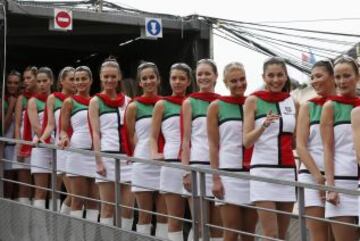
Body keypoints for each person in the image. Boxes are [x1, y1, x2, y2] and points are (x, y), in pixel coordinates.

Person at [243, 57, 297, 240]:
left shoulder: (293, 102)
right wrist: (264, 126)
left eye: (280, 75)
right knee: (271, 234)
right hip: (263, 172)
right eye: (271, 76)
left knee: (283, 234)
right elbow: (247, 142)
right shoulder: (253, 101)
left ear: (286, 76)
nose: (276, 80)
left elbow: (296, 142)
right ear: (263, 77)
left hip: (288, 171)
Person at [208, 62, 257, 241]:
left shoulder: (255, 102)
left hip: (253, 173)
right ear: (225, 83)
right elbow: (213, 145)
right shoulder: (216, 106)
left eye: (242, 79)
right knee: (231, 229)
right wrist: (216, 178)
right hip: (228, 174)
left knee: (249, 232)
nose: (239, 84)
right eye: (233, 81)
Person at [88, 59, 134, 229]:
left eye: (113, 76)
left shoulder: (129, 101)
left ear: (119, 77)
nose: (109, 80)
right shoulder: (95, 101)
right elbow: (95, 132)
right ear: (100, 77)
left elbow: (132, 132)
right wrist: (98, 160)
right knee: (107, 209)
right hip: (106, 158)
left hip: (127, 159)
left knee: (128, 210)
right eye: (106, 76)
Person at [149, 63, 192, 241]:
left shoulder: (194, 102)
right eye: (174, 78)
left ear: (189, 81)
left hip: (194, 164)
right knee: (174, 221)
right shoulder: (162, 104)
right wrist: (154, 153)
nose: (178, 82)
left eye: (182, 78)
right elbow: (153, 136)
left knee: (199, 220)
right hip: (171, 163)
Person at [181, 59, 222, 241]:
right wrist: (186, 172)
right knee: (199, 226)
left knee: (219, 228)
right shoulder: (190, 102)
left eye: (207, 73)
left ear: (216, 76)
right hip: (197, 167)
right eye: (200, 74)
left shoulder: (223, 102)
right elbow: (186, 139)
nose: (203, 77)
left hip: (221, 168)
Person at [125, 62, 167, 237]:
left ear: (158, 80)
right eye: (144, 78)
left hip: (165, 161)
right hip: (143, 162)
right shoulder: (134, 106)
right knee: (144, 215)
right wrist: (142, 152)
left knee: (165, 216)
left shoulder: (167, 104)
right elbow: (130, 135)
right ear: (139, 83)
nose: (149, 81)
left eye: (152, 77)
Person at [296, 60, 336, 241]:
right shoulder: (308, 107)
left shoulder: (351, 105)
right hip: (312, 176)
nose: (314, 81)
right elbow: (301, 146)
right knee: (319, 235)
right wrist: (319, 179)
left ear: (333, 77)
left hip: (342, 176)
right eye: (312, 77)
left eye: (319, 76)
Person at [321, 56, 359, 241]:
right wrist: (331, 187)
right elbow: (327, 149)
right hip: (341, 184)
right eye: (337, 77)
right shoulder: (330, 107)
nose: (342, 82)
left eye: (347, 76)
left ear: (357, 76)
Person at [59, 66, 99, 221]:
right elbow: (63, 129)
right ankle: (69, 232)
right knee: (77, 200)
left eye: (84, 78)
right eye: (77, 79)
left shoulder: (97, 101)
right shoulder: (69, 102)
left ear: (91, 80)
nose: (80, 82)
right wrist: (64, 137)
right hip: (77, 152)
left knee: (94, 202)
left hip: (95, 154)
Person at [40, 66, 75, 213]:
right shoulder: (53, 98)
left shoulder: (82, 98)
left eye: (77, 79)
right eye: (71, 79)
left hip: (80, 147)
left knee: (80, 196)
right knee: (73, 195)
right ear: (61, 81)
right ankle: (62, 225)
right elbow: (50, 124)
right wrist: (42, 139)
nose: (75, 82)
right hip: (62, 148)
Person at [23, 67, 53, 209]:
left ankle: (55, 227)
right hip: (41, 147)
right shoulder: (33, 102)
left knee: (56, 192)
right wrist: (49, 140)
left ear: (51, 81)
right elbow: (36, 127)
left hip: (58, 147)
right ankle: (39, 230)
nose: (42, 84)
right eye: (39, 81)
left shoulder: (57, 99)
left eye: (45, 81)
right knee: (41, 191)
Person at [13, 66, 38, 205]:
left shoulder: (43, 98)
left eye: (29, 78)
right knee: (24, 188)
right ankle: (23, 225)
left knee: (39, 188)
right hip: (23, 144)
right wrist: (18, 145)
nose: (25, 81)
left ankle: (36, 224)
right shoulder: (21, 99)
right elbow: (17, 124)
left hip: (39, 144)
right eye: (25, 78)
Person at [0, 70, 21, 199]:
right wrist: (11, 106)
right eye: (9, 82)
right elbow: (2, 128)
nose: (12, 85)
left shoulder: (24, 99)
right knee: (8, 184)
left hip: (21, 147)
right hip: (6, 147)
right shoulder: (3, 100)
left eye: (16, 83)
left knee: (20, 184)